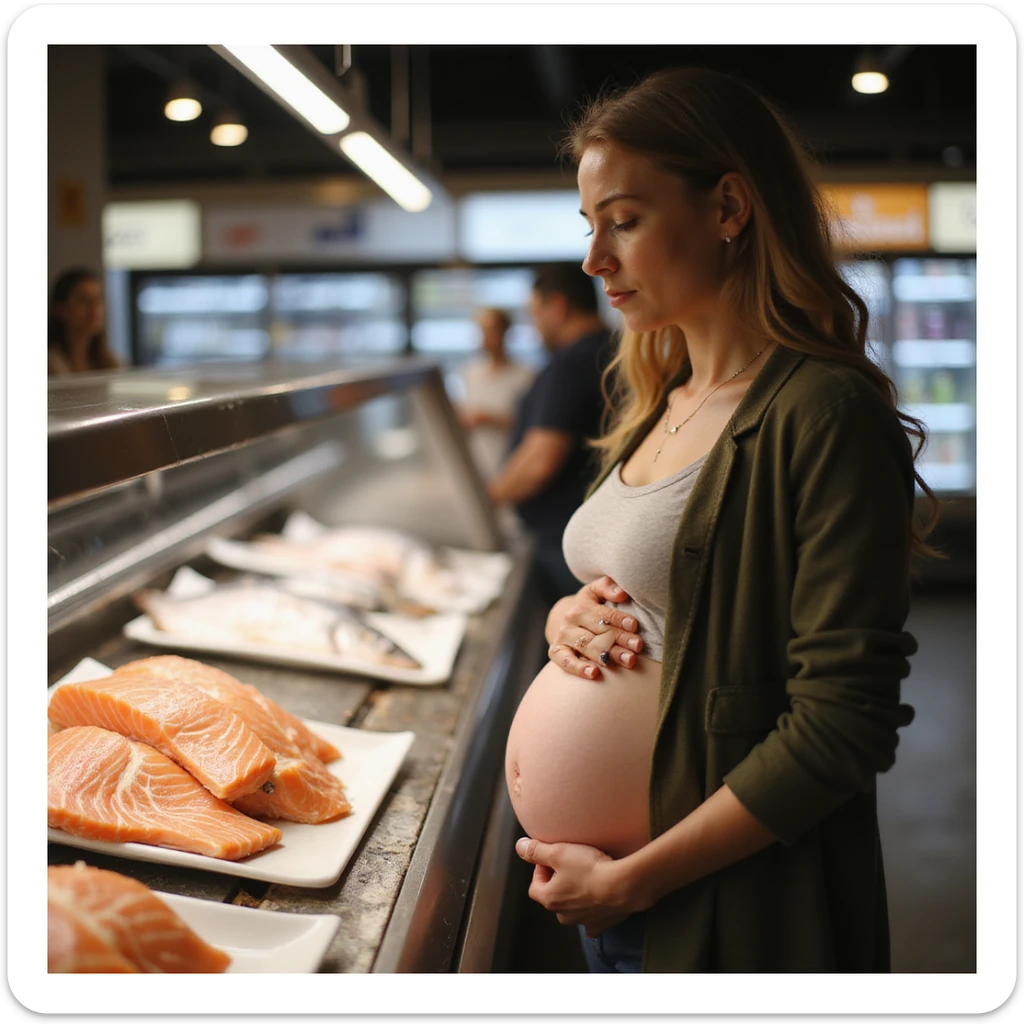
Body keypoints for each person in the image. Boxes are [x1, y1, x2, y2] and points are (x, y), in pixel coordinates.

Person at [504, 67, 942, 974]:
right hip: (621, 902)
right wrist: (565, 621)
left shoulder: (821, 412)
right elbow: (660, 604)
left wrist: (640, 880)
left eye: (623, 221)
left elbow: (843, 722)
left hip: (718, 909)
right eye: (590, 228)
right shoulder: (660, 395)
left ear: (730, 208)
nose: (595, 260)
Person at [487, 264, 615, 604]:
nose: (535, 326)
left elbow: (539, 461)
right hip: (595, 538)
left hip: (562, 544)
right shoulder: (613, 350)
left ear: (557, 306)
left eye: (535, 313)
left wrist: (489, 497)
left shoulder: (571, 363)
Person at [455, 307, 536, 482]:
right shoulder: (470, 372)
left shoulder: (524, 375)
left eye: (491, 330)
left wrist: (487, 418)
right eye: (482, 331)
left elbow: (530, 424)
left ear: (505, 332)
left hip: (510, 459)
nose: (485, 337)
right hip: (478, 458)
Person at [47, 267, 121, 375]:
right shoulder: (50, 364)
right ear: (61, 309)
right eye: (83, 301)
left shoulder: (112, 362)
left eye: (99, 299)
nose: (94, 309)